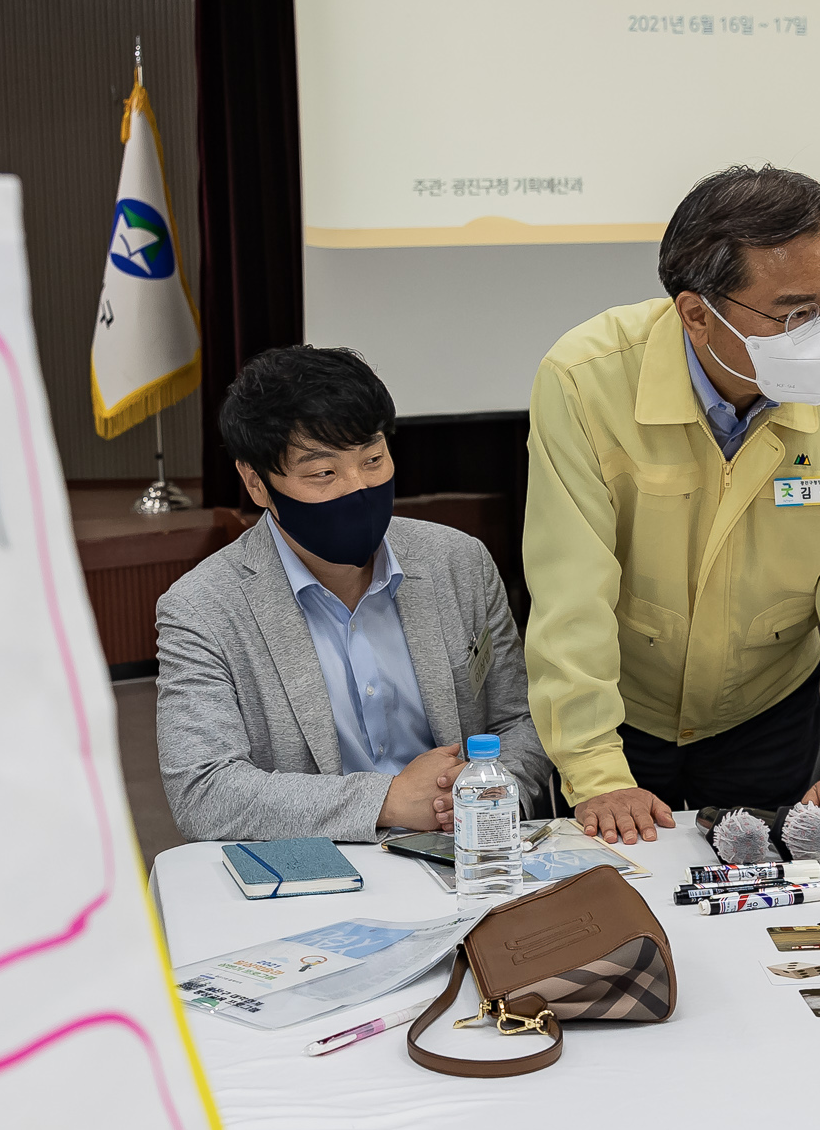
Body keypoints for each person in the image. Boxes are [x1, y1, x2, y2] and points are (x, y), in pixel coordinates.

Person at [525, 165, 820, 844]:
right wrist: (597, 770)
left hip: (767, 709)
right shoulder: (585, 378)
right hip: (623, 706)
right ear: (696, 313)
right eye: (797, 312)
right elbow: (572, 594)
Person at [156, 345, 546, 842]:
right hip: (318, 872)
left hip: (466, 851)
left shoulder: (458, 561)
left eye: (373, 459)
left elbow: (520, 718)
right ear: (256, 482)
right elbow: (204, 790)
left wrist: (486, 794)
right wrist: (387, 801)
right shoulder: (203, 608)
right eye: (323, 473)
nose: (357, 486)